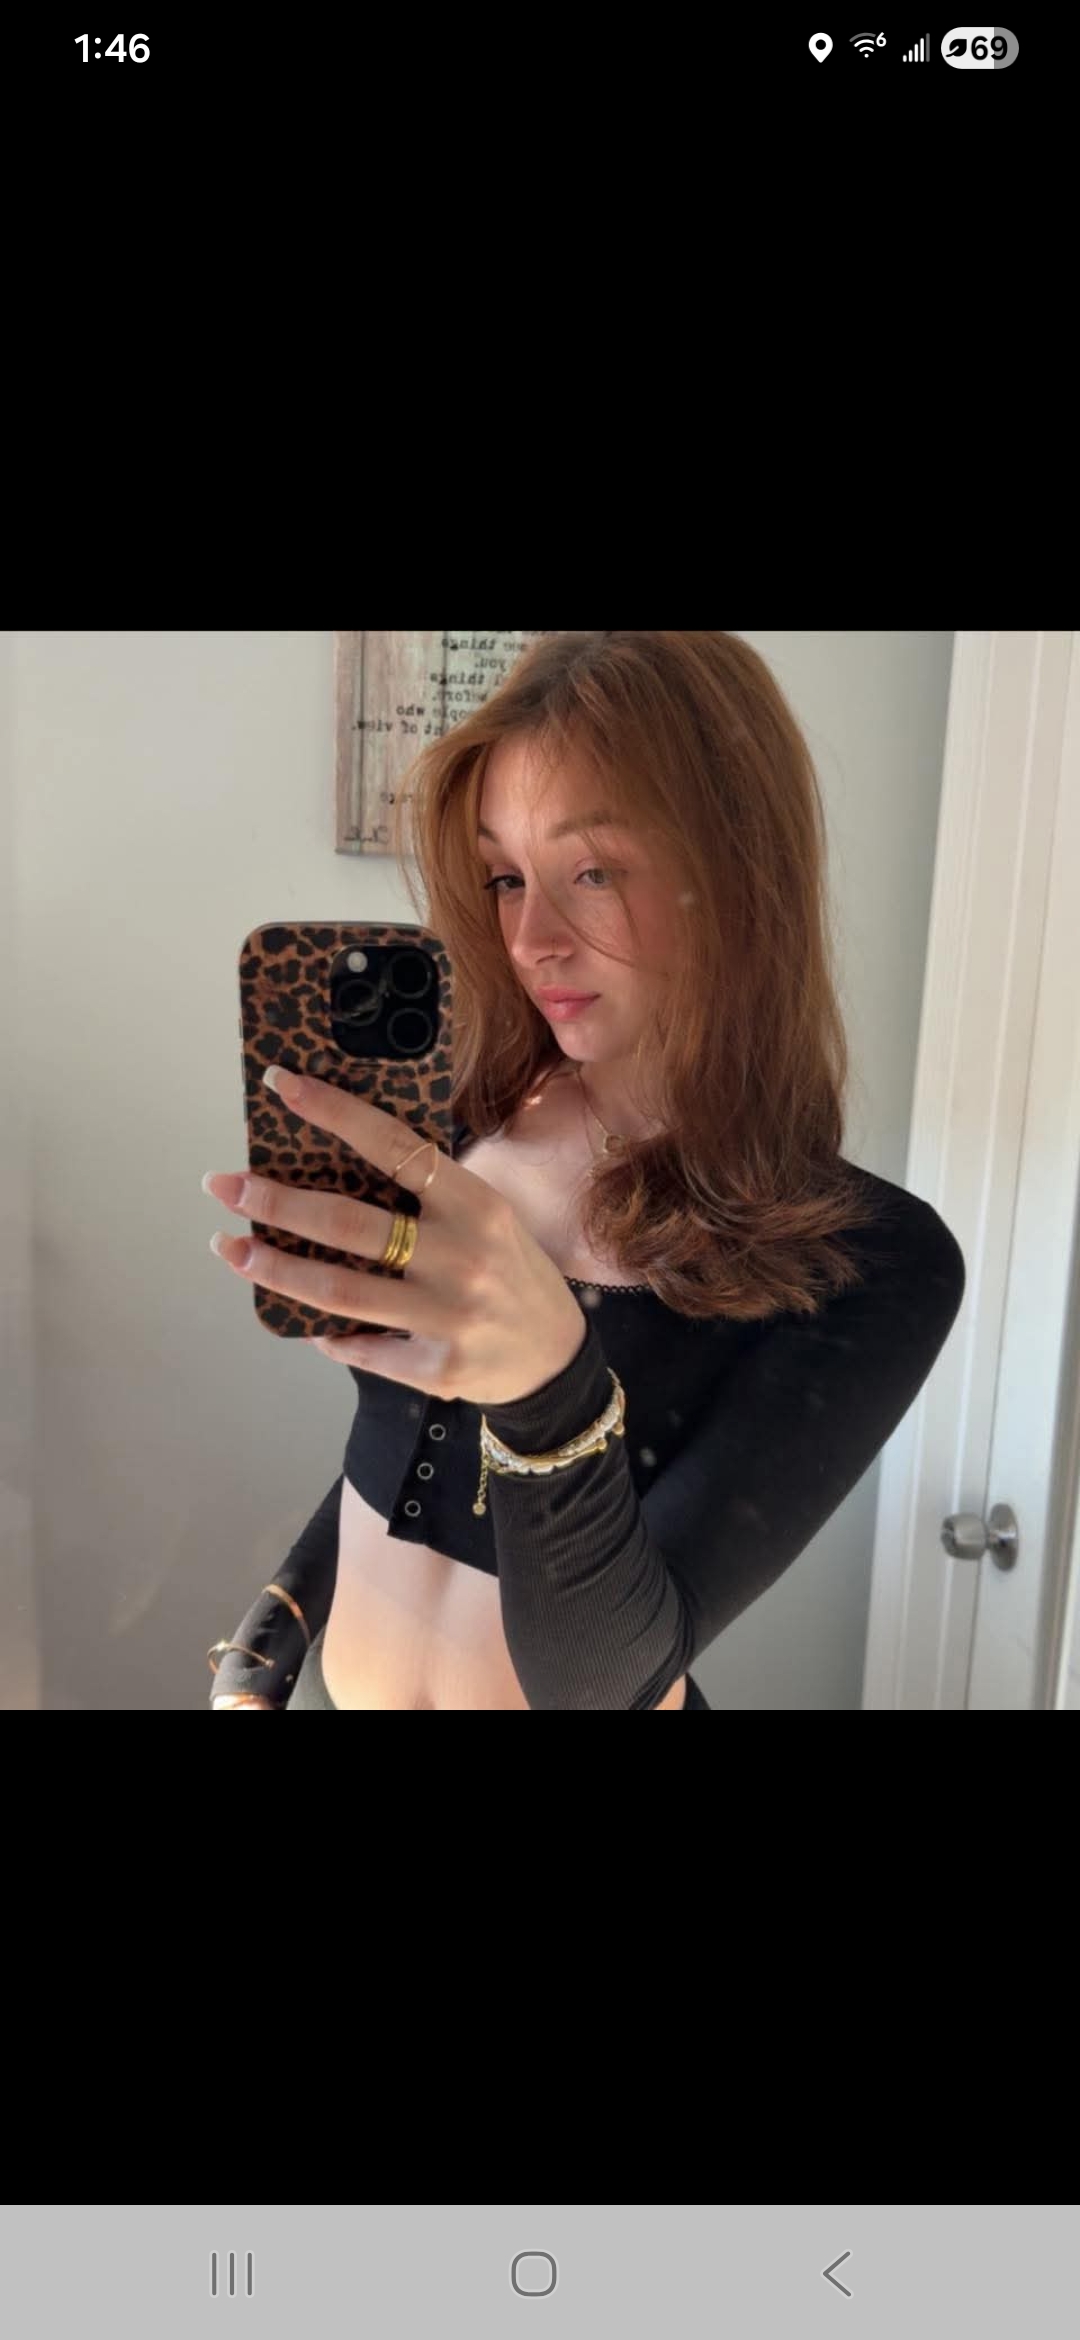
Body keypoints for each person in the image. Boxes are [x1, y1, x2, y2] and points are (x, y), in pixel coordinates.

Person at [207, 630, 965, 1712]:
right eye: (506, 877)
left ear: (736, 875)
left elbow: (607, 1679)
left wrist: (551, 1393)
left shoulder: (870, 1261)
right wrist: (264, 1644)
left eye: (594, 872)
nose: (531, 938)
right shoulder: (452, 1129)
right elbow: (386, 1443)